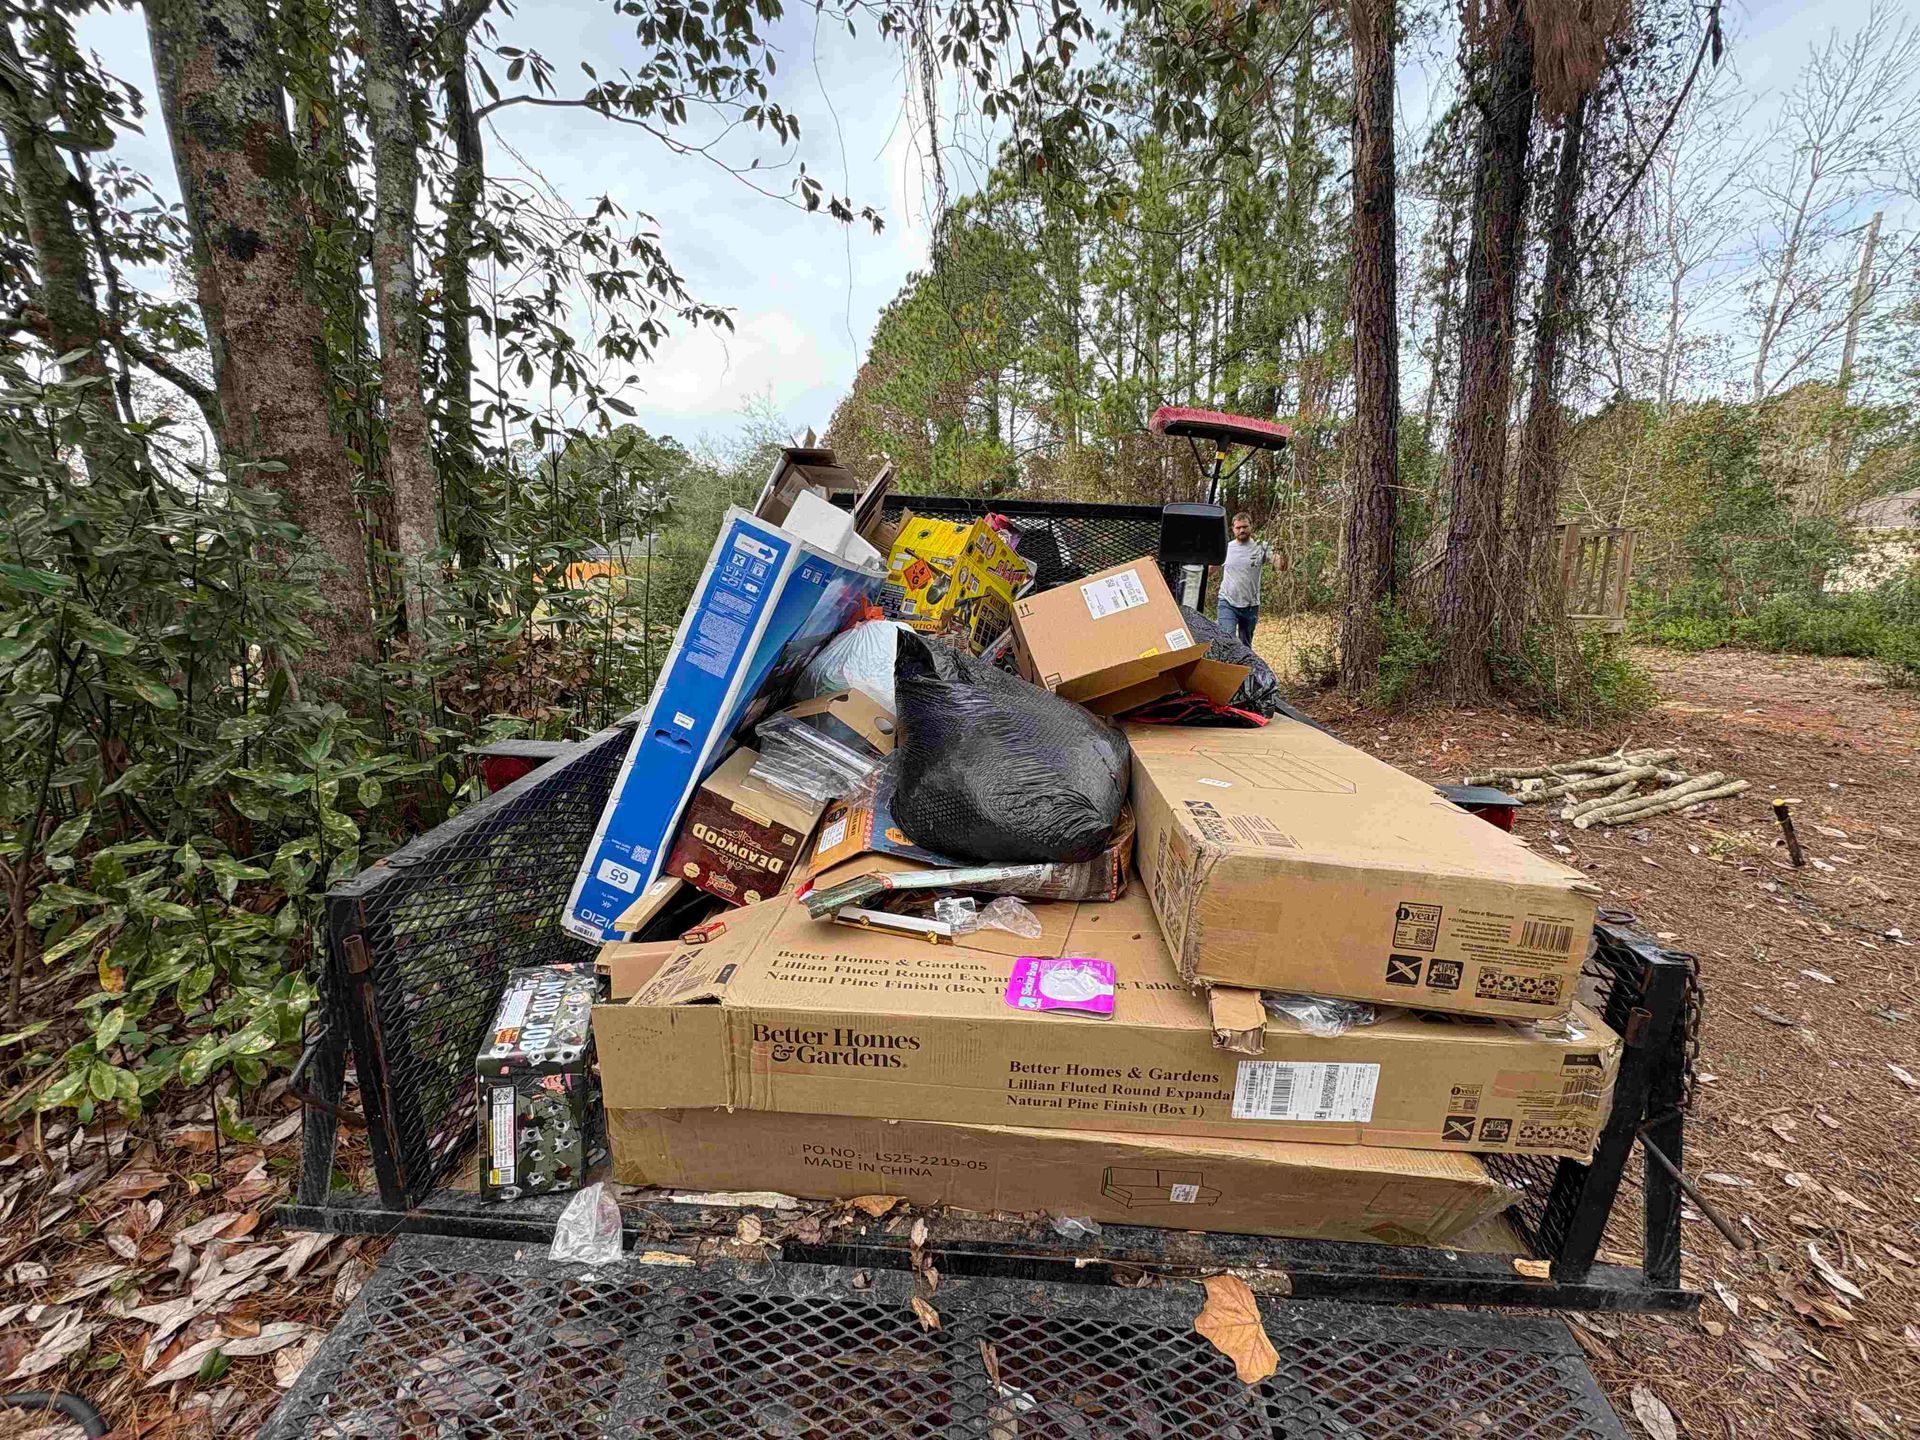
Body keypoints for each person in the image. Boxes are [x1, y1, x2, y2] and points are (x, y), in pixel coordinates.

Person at [1215, 512, 1280, 647]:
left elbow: (1280, 565)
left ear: (1251, 526)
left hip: (1251, 605)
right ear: (1233, 529)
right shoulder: (1226, 548)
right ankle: (1227, 661)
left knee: (1245, 645)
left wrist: (1285, 549)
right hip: (1227, 601)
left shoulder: (1261, 546)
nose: (1242, 530)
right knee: (1227, 641)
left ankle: (1244, 662)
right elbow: (1210, 568)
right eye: (1238, 527)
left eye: (1245, 527)